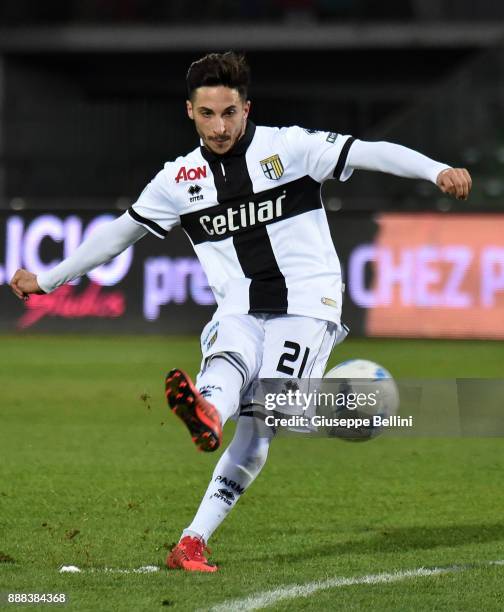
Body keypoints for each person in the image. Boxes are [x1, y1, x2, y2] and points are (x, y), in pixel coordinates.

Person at [10, 51, 472, 573]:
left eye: (229, 112)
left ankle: (278, 410)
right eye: (207, 114)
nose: (220, 125)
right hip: (238, 307)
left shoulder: (289, 147)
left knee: (274, 416)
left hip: (305, 304)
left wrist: (436, 170)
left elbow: (369, 151)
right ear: (190, 112)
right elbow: (122, 232)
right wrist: (49, 278)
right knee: (231, 372)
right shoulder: (177, 180)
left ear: (246, 108)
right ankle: (194, 521)